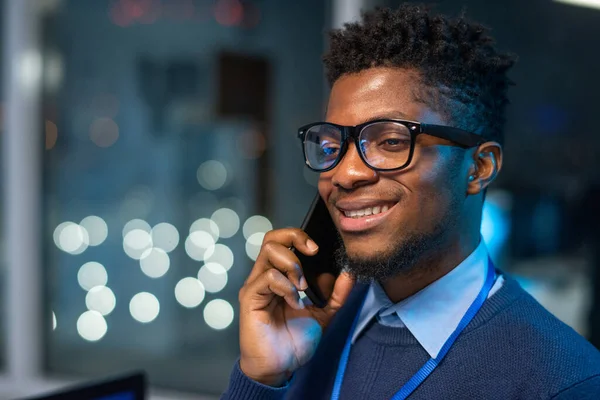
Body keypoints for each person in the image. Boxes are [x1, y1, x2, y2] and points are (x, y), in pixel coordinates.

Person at [220, 4, 600, 399]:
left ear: (479, 167)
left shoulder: (563, 380)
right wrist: (262, 378)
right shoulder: (308, 327)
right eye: (332, 145)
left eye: (390, 142)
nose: (345, 174)